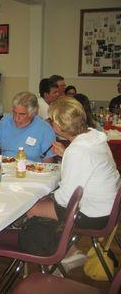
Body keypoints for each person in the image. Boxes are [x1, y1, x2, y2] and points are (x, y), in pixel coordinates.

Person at [27, 96, 120, 271]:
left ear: (60, 127)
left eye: (52, 120)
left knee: (30, 208)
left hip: (94, 215)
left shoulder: (78, 151)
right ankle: (71, 251)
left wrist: (48, 196)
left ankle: (60, 256)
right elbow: (87, 166)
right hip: (111, 207)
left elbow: (65, 199)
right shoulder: (94, 137)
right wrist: (66, 154)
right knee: (46, 200)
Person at [0, 91, 56, 163]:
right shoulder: (5, 121)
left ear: (33, 113)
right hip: (6, 166)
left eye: (22, 114)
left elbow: (48, 162)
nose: (16, 118)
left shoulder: (45, 129)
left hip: (31, 169)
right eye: (14, 113)